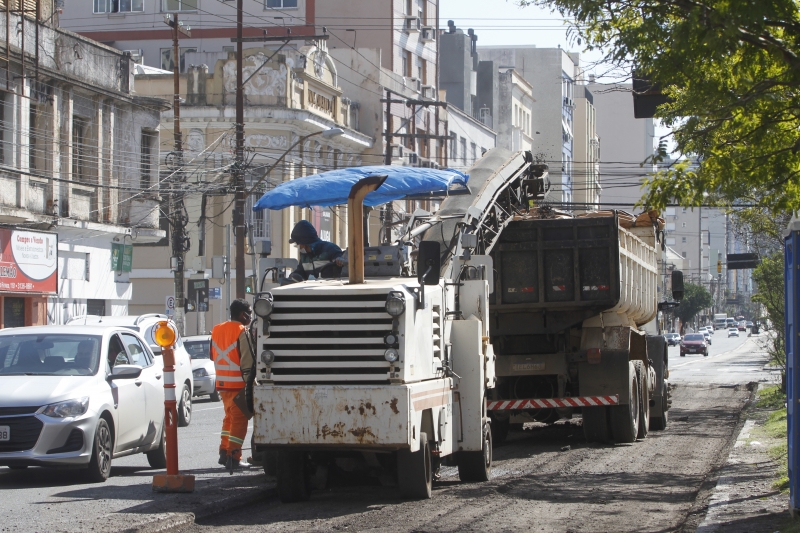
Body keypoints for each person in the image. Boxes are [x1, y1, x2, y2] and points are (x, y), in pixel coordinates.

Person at [211, 299, 255, 470]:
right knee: (239, 421)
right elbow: (247, 361)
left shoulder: (216, 329)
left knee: (228, 419)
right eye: (250, 313)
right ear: (243, 314)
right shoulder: (242, 331)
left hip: (222, 384)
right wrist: (250, 383)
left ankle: (224, 452)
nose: (251, 317)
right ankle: (234, 457)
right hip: (238, 385)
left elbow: (213, 355)